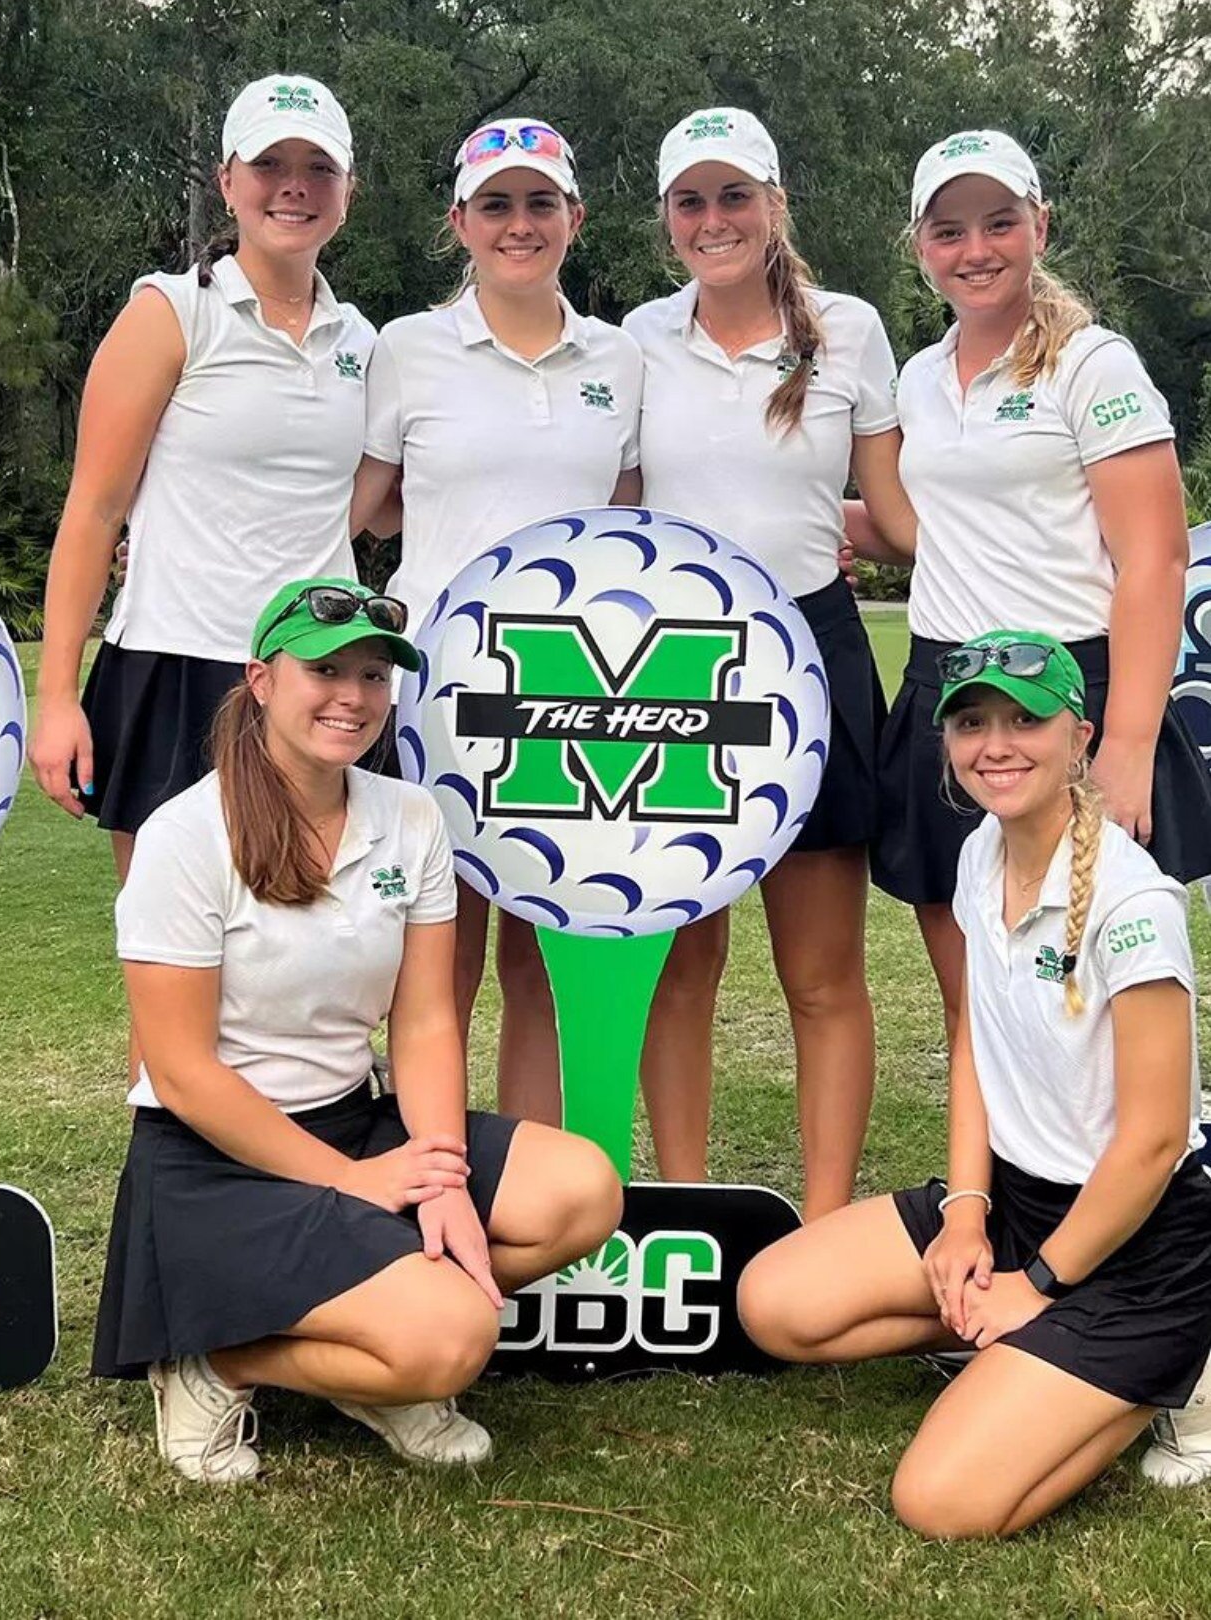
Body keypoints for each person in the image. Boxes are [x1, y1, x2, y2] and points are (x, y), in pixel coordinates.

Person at [91, 576, 623, 1483]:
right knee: (454, 1338)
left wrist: (441, 1171)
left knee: (583, 1191)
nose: (354, 696)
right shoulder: (186, 835)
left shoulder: (410, 816)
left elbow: (422, 1020)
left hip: (355, 1118)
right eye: (326, 669)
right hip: (218, 1156)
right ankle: (214, 1364)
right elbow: (180, 1072)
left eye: (375, 675)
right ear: (261, 681)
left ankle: (373, 1343)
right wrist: (356, 1184)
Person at [738, 631, 1211, 1536]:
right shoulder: (979, 858)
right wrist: (963, 1215)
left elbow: (1153, 1143)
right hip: (1016, 1205)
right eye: (971, 722)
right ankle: (1023, 1348)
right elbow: (975, 1046)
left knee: (941, 1503)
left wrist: (1036, 1284)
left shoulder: (1134, 902)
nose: (996, 744)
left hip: (1137, 1242)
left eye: (1025, 720)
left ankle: (1180, 1363)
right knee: (775, 1305)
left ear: (1080, 735)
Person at [621, 108, 915, 1215]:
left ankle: (827, 1223)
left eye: (735, 196)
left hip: (814, 647)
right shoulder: (638, 339)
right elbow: (617, 506)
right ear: (667, 221)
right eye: (691, 201)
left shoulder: (851, 329)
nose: (714, 220)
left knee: (823, 974)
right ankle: (690, 1205)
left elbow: (893, 517)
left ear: (775, 205)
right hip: (677, 665)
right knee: (684, 963)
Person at [870, 128, 1211, 1033]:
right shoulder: (919, 379)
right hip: (949, 692)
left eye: (999, 223)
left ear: (1040, 227)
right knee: (974, 997)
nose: (975, 250)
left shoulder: (1094, 364)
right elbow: (930, 523)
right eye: (949, 231)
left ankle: (1120, 1174)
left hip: (1069, 692)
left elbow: (1156, 558)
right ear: (919, 247)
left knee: (1089, 993)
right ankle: (984, 1178)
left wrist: (1127, 746)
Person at [351, 117, 644, 1123]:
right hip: (438, 693)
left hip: (570, 691)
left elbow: (633, 523)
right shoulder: (407, 350)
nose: (519, 225)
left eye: (539, 203)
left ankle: (527, 1167)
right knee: (437, 946)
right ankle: (422, 1161)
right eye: (495, 205)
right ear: (460, 223)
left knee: (540, 949)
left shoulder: (622, 359)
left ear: (575, 216)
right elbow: (362, 506)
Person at [28, 73, 376, 883]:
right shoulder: (171, 312)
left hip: (316, 674)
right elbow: (93, 511)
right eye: (269, 164)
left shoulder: (362, 341)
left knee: (315, 958)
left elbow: (369, 498)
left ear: (347, 192)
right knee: (176, 966)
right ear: (227, 181)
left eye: (318, 167)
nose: (294, 185)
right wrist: (56, 699)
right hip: (174, 666)